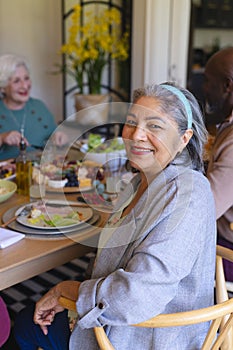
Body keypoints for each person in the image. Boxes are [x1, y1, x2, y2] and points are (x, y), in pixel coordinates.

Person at [14, 83, 216, 350]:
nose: (136, 135)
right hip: (110, 319)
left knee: (24, 325)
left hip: (143, 338)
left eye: (154, 126)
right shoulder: (139, 183)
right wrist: (78, 304)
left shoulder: (187, 193)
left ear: (184, 138)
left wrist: (65, 291)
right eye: (131, 122)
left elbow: (136, 298)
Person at [0, 54, 67, 160]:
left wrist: (59, 138)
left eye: (26, 78)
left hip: (41, 172)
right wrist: (2, 138)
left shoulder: (39, 106)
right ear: (2, 87)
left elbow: (54, 138)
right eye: (16, 81)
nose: (24, 85)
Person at [203, 46, 233, 281]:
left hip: (226, 252)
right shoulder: (227, 127)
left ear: (227, 86)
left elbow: (203, 210)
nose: (204, 89)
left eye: (207, 81)